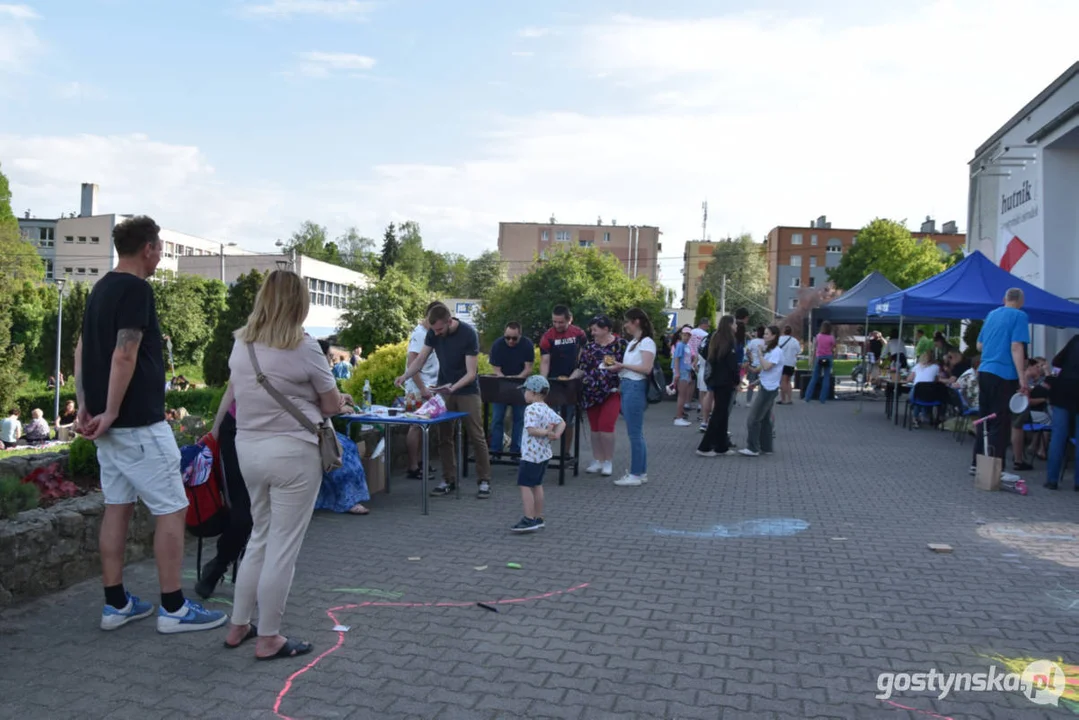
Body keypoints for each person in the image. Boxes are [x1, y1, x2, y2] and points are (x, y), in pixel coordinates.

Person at [76, 215, 226, 634]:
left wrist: (88, 406)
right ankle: (174, 608)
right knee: (174, 508)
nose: (161, 254)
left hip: (109, 428)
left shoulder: (101, 288)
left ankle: (116, 603)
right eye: (161, 247)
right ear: (148, 249)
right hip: (138, 424)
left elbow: (83, 349)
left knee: (117, 508)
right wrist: (108, 411)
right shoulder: (137, 289)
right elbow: (125, 354)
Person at [224, 269, 353, 660]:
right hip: (293, 454)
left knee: (260, 537)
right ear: (299, 304)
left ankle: (238, 624)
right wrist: (341, 401)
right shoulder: (304, 347)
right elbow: (330, 405)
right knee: (282, 546)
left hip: (248, 448)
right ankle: (269, 636)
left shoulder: (240, 344)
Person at [395, 303, 493, 499]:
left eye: (440, 329)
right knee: (444, 435)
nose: (437, 334)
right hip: (444, 388)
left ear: (450, 321)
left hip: (467, 389)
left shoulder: (468, 334)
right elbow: (421, 358)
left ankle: (484, 480)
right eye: (434, 330)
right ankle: (448, 479)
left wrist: (454, 387)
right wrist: (405, 376)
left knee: (476, 434)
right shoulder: (433, 333)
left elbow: (471, 373)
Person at [194, 381, 254, 600]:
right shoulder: (247, 346)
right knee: (243, 513)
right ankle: (219, 566)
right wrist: (215, 434)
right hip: (238, 431)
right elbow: (233, 386)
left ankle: (249, 574)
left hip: (277, 437)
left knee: (267, 514)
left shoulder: (301, 349)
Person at [974, 288, 1030, 473]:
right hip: (1004, 374)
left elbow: (979, 345)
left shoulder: (991, 315)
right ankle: (995, 467)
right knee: (1000, 421)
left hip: (985, 371)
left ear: (1003, 299)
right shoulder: (1019, 316)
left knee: (984, 418)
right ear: (1021, 301)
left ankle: (977, 463)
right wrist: (1023, 378)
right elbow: (1016, 346)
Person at [316, 340, 370, 515]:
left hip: (318, 427)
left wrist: (340, 397)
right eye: (328, 355)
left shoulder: (318, 372)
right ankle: (348, 499)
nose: (330, 358)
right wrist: (340, 408)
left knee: (347, 446)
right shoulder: (316, 373)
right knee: (345, 452)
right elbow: (320, 406)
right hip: (314, 429)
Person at [570, 315, 627, 476]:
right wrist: (569, 381)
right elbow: (581, 368)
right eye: (591, 330)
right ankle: (597, 459)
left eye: (595, 329)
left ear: (606, 329)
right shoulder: (589, 348)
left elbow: (628, 365)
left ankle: (608, 460)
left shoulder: (621, 344)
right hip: (591, 393)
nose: (592, 333)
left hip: (611, 392)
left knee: (606, 426)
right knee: (595, 429)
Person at [511, 375, 565, 533]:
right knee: (537, 484)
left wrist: (547, 433)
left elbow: (531, 430)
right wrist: (556, 434)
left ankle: (529, 518)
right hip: (543, 455)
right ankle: (538, 516)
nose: (524, 394)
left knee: (525, 485)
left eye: (526, 390)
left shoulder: (531, 409)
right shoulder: (546, 408)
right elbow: (562, 422)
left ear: (534, 392)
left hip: (531, 455)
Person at [609, 308, 655, 487]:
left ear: (636, 321)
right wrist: (620, 368)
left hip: (635, 386)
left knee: (635, 433)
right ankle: (640, 472)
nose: (625, 325)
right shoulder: (635, 342)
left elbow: (646, 368)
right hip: (629, 385)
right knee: (636, 433)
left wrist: (622, 365)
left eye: (627, 321)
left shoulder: (646, 342)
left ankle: (636, 474)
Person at [539, 305, 586, 450]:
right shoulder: (548, 336)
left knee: (568, 420)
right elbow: (545, 361)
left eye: (561, 322)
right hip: (554, 382)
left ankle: (566, 453)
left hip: (572, 382)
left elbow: (583, 358)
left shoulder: (579, 334)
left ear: (569, 320)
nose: (557, 325)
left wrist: (575, 377)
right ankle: (544, 451)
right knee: (548, 419)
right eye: (554, 322)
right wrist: (543, 381)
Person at [404, 304, 441, 480]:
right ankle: (413, 466)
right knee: (416, 426)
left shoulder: (430, 334)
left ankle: (420, 462)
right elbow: (413, 363)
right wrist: (423, 388)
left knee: (422, 427)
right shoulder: (420, 334)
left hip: (428, 387)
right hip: (418, 389)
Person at [488, 321, 535, 457]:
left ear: (520, 335)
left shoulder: (527, 345)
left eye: (514, 338)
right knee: (497, 418)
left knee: (519, 419)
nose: (510, 341)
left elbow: (528, 368)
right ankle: (496, 450)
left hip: (520, 384)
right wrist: (505, 380)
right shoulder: (498, 345)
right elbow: (496, 369)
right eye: (507, 337)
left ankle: (516, 451)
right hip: (501, 384)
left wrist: (517, 379)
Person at [697, 315, 739, 457]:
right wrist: (737, 380)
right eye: (734, 324)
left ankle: (722, 446)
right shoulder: (729, 341)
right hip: (725, 382)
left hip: (716, 381)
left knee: (722, 413)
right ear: (729, 325)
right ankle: (704, 447)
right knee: (719, 413)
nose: (736, 327)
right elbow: (732, 364)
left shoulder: (715, 338)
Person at [740, 326, 784, 457]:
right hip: (766, 386)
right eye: (764, 334)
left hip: (769, 390)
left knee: (753, 419)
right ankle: (766, 447)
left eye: (767, 334)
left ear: (774, 336)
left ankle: (753, 447)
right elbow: (763, 371)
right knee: (765, 419)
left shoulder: (776, 351)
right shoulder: (771, 351)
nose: (764, 336)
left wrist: (759, 353)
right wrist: (754, 380)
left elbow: (766, 366)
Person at [1046, 335, 1079, 489]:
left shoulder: (1075, 339)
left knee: (1058, 437)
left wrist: (1054, 378)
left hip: (1063, 390)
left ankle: (1052, 480)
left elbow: (1056, 362)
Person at [906, 352, 946, 428]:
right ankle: (925, 415)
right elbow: (936, 380)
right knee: (925, 396)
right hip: (931, 395)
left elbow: (909, 379)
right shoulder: (936, 367)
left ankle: (915, 418)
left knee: (917, 399)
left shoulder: (917, 366)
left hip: (917, 390)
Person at [804, 321, 836, 404]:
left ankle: (807, 397)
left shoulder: (818, 336)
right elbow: (833, 348)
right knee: (826, 377)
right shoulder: (831, 338)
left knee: (814, 377)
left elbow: (815, 347)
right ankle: (822, 399)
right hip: (828, 357)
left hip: (819, 357)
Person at [690, 318, 712, 430]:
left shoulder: (691, 332)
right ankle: (705, 417)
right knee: (709, 394)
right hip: (706, 366)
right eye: (708, 325)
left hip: (696, 362)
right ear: (704, 325)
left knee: (701, 391)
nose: (708, 328)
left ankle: (702, 413)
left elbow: (698, 350)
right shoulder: (706, 336)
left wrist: (694, 361)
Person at [671, 326, 695, 426]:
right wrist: (677, 373)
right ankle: (678, 417)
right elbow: (676, 359)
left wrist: (689, 373)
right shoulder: (680, 345)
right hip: (681, 371)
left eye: (688, 335)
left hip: (685, 371)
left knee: (683, 395)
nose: (686, 337)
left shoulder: (687, 346)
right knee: (682, 395)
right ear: (681, 335)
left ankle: (680, 416)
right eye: (684, 335)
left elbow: (688, 361)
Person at [777, 326, 801, 405]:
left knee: (782, 381)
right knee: (788, 381)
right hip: (791, 363)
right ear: (791, 332)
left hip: (782, 363)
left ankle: (783, 399)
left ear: (783, 331)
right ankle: (789, 399)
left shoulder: (779, 339)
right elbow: (798, 351)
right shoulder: (795, 341)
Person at [744, 326, 766, 405]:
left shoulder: (753, 342)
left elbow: (747, 351)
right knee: (762, 384)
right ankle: (761, 401)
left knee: (751, 383)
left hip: (753, 365)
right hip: (763, 366)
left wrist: (750, 358)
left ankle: (748, 401)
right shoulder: (766, 342)